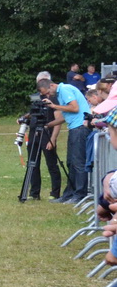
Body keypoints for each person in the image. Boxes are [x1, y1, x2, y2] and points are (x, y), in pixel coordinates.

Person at [41, 71, 92, 202]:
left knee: (78, 163)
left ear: (51, 85)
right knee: (70, 162)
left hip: (80, 128)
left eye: (47, 92)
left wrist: (54, 106)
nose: (47, 96)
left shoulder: (65, 89)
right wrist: (49, 124)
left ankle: (80, 194)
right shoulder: (61, 93)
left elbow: (74, 108)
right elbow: (65, 114)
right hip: (74, 128)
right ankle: (69, 194)